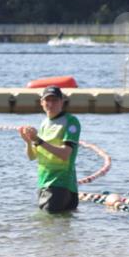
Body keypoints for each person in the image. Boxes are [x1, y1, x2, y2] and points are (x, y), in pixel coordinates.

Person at [19, 86, 81, 214]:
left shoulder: (71, 121)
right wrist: (28, 142)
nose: (51, 104)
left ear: (62, 102)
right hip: (44, 183)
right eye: (47, 100)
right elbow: (32, 157)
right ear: (41, 103)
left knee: (48, 227)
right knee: (54, 229)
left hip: (61, 184)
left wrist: (39, 140)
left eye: (55, 100)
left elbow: (65, 154)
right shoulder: (44, 123)